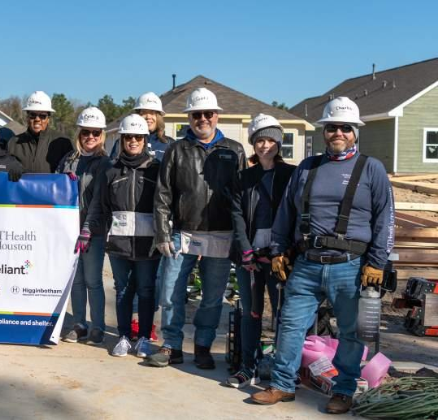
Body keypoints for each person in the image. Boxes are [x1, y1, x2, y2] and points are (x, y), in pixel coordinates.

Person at [251, 97, 394, 414]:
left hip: (351, 266)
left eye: (345, 127)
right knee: (289, 324)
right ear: (324, 131)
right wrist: (278, 251)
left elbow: (385, 218)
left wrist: (377, 262)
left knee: (350, 332)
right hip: (306, 263)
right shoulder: (308, 167)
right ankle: (282, 385)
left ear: (355, 131)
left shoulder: (371, 169)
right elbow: (286, 214)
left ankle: (343, 391)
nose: (338, 132)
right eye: (332, 127)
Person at [149, 87, 246, 368]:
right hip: (183, 232)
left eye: (207, 114)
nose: (202, 119)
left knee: (213, 298)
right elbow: (163, 194)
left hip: (220, 234)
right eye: (196, 114)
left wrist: (240, 238)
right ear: (189, 117)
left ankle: (203, 346)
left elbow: (241, 197)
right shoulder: (177, 150)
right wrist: (162, 233)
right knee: (170, 293)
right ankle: (171, 346)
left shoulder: (233, 150)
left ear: (216, 116)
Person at [83, 114, 162, 358]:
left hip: (148, 245)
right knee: (123, 290)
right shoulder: (111, 171)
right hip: (119, 244)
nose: (133, 141)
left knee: (147, 290)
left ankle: (145, 339)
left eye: (138, 137)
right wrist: (89, 229)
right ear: (122, 138)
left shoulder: (157, 169)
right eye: (128, 137)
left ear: (145, 139)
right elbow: (100, 205)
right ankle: (125, 337)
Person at [226, 114, 296, 387]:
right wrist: (245, 251)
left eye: (270, 140)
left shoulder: (292, 175)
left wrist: (287, 251)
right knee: (251, 312)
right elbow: (237, 215)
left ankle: (282, 371)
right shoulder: (244, 178)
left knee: (283, 315)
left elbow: (296, 214)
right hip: (250, 256)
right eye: (260, 140)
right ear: (253, 143)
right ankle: (247, 367)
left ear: (279, 143)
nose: (265, 145)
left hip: (281, 257)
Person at [63, 107, 112, 345]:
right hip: (69, 231)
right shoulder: (69, 161)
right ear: (79, 133)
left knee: (93, 280)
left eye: (95, 132)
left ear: (101, 135)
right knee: (77, 281)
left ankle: (98, 326)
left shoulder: (104, 163)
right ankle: (79, 324)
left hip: (93, 232)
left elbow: (98, 200)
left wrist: (87, 230)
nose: (90, 137)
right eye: (85, 132)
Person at [8, 91, 73, 173]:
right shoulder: (13, 143)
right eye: (33, 115)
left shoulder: (63, 143)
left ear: (48, 119)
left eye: (42, 116)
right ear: (27, 117)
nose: (37, 119)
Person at [134, 92, 174, 161]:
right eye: (144, 113)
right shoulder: (124, 143)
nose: (148, 117)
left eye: (152, 113)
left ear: (158, 117)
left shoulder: (170, 144)